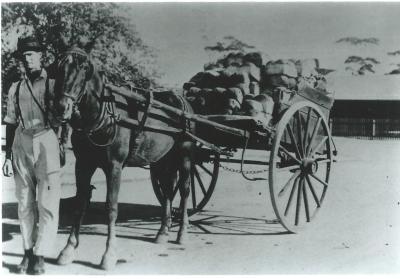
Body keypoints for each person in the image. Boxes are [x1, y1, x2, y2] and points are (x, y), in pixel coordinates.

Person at [2, 35, 67, 275]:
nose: (27, 59)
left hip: (46, 139)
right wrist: (8, 156)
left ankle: (40, 255)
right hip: (22, 141)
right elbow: (9, 122)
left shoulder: (52, 84)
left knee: (48, 203)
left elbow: (64, 115)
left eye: (32, 54)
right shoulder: (15, 87)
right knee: (23, 203)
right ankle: (27, 252)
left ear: (41, 56)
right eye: (24, 56)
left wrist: (63, 139)